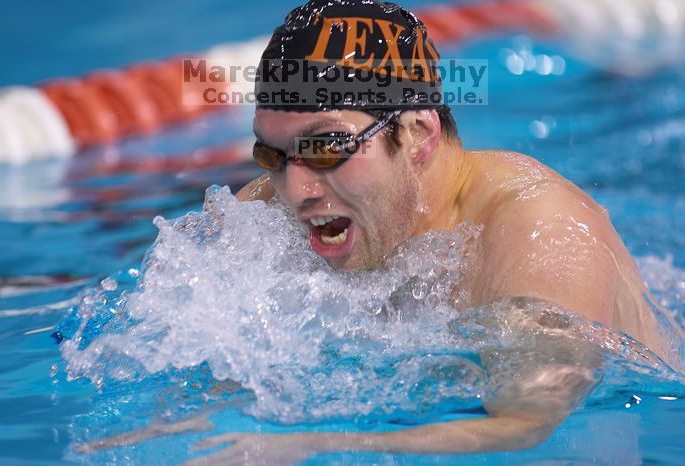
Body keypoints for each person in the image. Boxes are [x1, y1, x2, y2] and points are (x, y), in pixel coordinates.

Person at [75, 0, 681, 463]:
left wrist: (315, 447)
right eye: (275, 155)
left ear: (417, 134)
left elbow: (528, 422)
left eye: (328, 148)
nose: (295, 191)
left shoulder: (536, 231)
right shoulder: (277, 206)